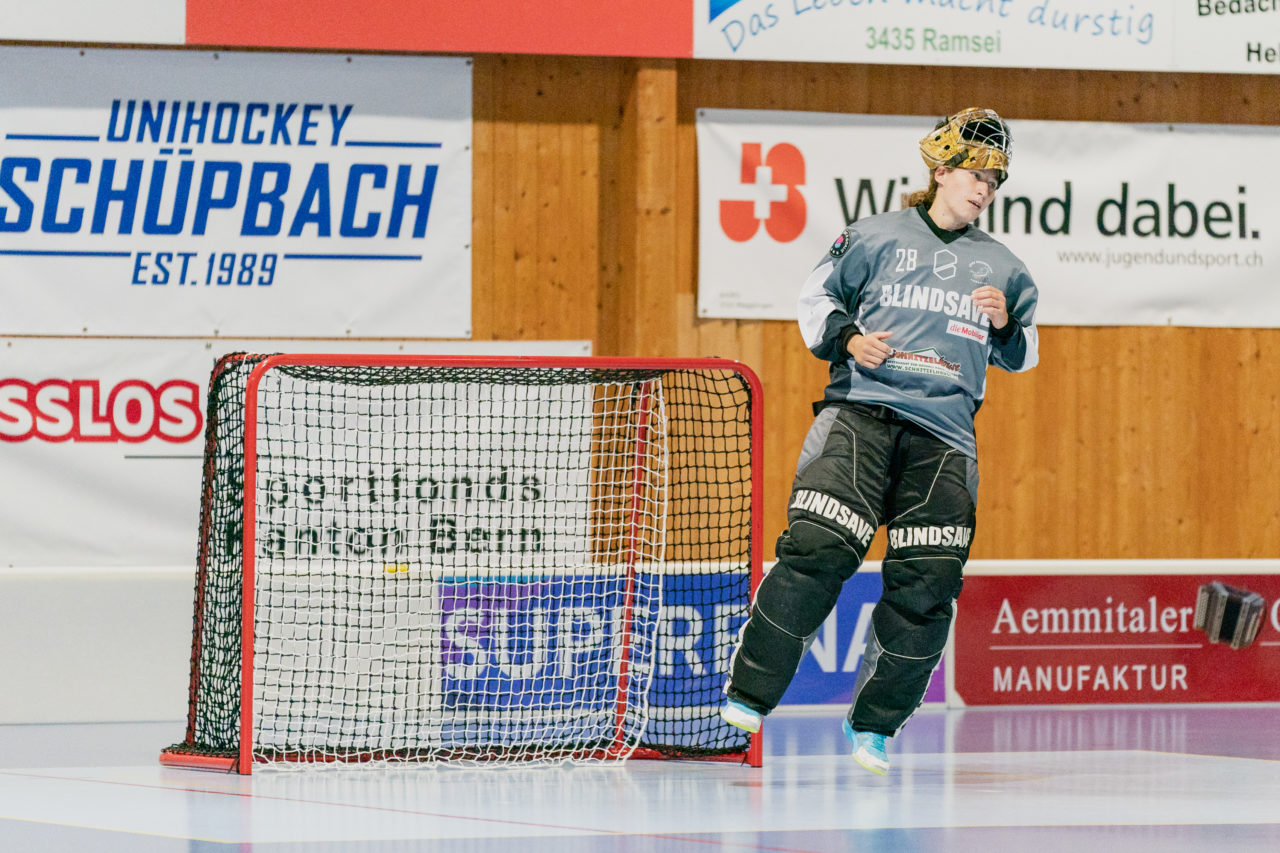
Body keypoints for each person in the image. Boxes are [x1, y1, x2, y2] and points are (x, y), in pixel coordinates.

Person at [720, 107, 1039, 775]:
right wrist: (848, 340)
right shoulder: (872, 236)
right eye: (974, 174)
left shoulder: (1003, 266)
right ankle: (752, 691)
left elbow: (1024, 354)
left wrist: (1006, 324)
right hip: (860, 415)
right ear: (941, 171)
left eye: (995, 180)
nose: (983, 188)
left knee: (927, 583)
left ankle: (876, 726)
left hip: (945, 439)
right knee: (815, 549)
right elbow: (816, 299)